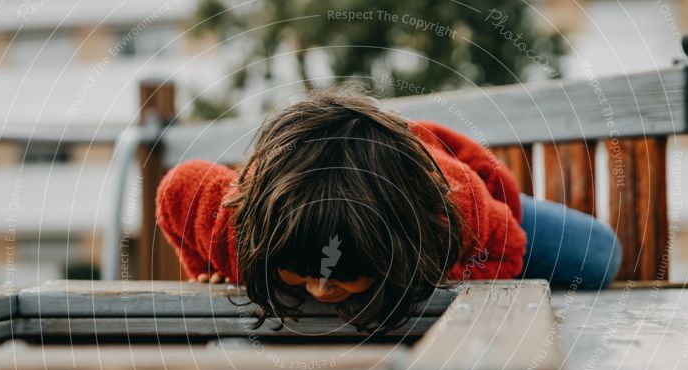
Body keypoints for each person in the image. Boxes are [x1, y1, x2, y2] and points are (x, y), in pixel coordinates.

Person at [156, 88, 621, 332]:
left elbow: (508, 250)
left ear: (394, 250)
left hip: (486, 212)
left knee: (600, 256)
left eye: (343, 275)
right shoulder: (237, 227)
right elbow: (175, 192)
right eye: (298, 271)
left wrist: (445, 280)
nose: (319, 289)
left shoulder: (450, 216)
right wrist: (204, 268)